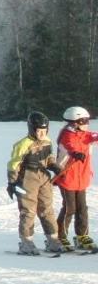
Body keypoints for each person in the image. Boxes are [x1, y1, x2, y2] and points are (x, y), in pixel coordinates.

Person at [6, 111, 64, 255]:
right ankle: (27, 242)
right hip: (27, 177)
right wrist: (12, 182)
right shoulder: (23, 144)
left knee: (47, 209)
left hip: (43, 177)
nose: (42, 134)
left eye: (44, 131)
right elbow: (14, 164)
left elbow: (49, 158)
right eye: (39, 131)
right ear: (32, 129)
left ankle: (53, 240)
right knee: (29, 211)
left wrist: (55, 167)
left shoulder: (47, 141)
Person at [53, 106, 98, 252]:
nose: (87, 123)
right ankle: (61, 236)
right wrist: (76, 153)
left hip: (81, 178)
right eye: (85, 121)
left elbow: (93, 136)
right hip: (67, 177)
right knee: (69, 208)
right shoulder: (66, 135)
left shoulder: (84, 134)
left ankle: (82, 235)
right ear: (75, 122)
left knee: (82, 208)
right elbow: (70, 145)